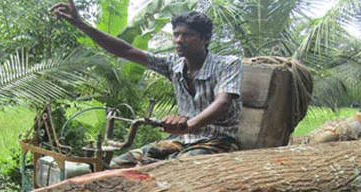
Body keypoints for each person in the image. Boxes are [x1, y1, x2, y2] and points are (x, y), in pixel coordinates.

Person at [50, 1, 242, 168]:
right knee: (115, 165)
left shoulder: (228, 64)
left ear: (206, 39)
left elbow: (222, 103)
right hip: (180, 140)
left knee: (166, 171)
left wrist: (188, 125)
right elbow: (125, 50)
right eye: (176, 34)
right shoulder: (173, 64)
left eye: (188, 35)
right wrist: (81, 25)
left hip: (216, 142)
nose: (179, 40)